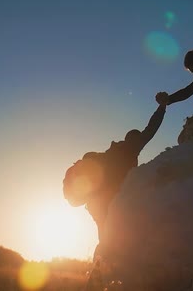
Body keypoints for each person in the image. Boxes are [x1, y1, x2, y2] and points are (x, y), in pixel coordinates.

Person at [63, 94, 167, 261]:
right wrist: (162, 108)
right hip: (110, 200)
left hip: (95, 203)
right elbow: (150, 129)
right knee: (118, 238)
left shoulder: (109, 153)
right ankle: (112, 271)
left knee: (105, 240)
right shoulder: (130, 149)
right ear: (134, 139)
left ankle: (101, 272)